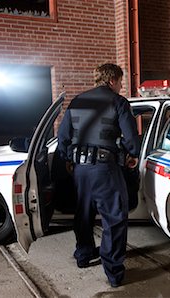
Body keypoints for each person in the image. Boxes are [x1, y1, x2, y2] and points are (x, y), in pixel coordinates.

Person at [57, 63, 141, 288]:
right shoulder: (118, 102)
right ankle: (113, 272)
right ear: (112, 79)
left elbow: (63, 136)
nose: (121, 86)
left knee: (83, 213)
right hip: (105, 169)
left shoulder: (77, 101)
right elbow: (132, 139)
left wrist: (68, 159)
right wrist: (132, 153)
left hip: (80, 170)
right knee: (114, 218)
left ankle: (83, 255)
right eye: (121, 81)